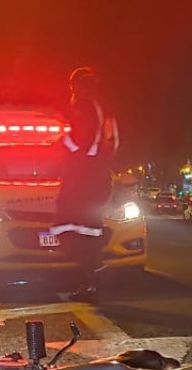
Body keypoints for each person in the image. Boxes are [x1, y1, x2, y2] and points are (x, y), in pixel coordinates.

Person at [49, 66, 119, 300]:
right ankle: (88, 277)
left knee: (82, 228)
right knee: (75, 227)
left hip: (88, 178)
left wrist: (80, 157)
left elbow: (97, 141)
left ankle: (91, 277)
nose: (79, 89)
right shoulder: (77, 106)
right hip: (83, 178)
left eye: (84, 85)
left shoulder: (92, 108)